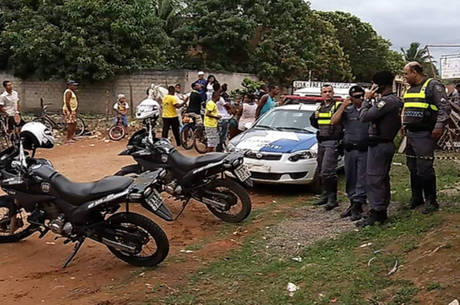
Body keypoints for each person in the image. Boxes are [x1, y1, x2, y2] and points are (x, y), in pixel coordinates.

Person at [402, 62, 451, 214]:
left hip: (425, 133)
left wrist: (438, 126)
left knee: (424, 169)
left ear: (415, 72)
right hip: (411, 134)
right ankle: (417, 198)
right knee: (413, 168)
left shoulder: (433, 86)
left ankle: (431, 201)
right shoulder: (410, 89)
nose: (405, 77)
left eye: (406, 74)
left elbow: (444, 107)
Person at [356, 71, 403, 227]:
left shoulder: (386, 102)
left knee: (374, 178)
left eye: (374, 84)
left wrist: (366, 100)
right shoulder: (393, 100)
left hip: (380, 144)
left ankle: (378, 211)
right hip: (383, 143)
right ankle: (379, 209)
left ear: (379, 85)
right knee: (381, 178)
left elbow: (364, 117)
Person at [330, 86, 369, 221]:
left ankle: (359, 204)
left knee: (362, 177)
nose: (360, 99)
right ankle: (352, 203)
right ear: (351, 98)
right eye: (357, 96)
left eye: (362, 96)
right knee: (351, 177)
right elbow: (333, 122)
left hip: (364, 149)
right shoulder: (347, 110)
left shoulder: (368, 109)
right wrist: (342, 106)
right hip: (349, 149)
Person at [309, 84, 343, 211]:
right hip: (321, 141)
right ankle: (325, 195)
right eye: (325, 92)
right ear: (321, 94)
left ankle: (332, 198)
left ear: (333, 93)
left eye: (330, 91)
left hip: (332, 141)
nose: (327, 94)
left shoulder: (338, 106)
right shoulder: (320, 107)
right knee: (321, 170)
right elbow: (313, 121)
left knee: (328, 171)